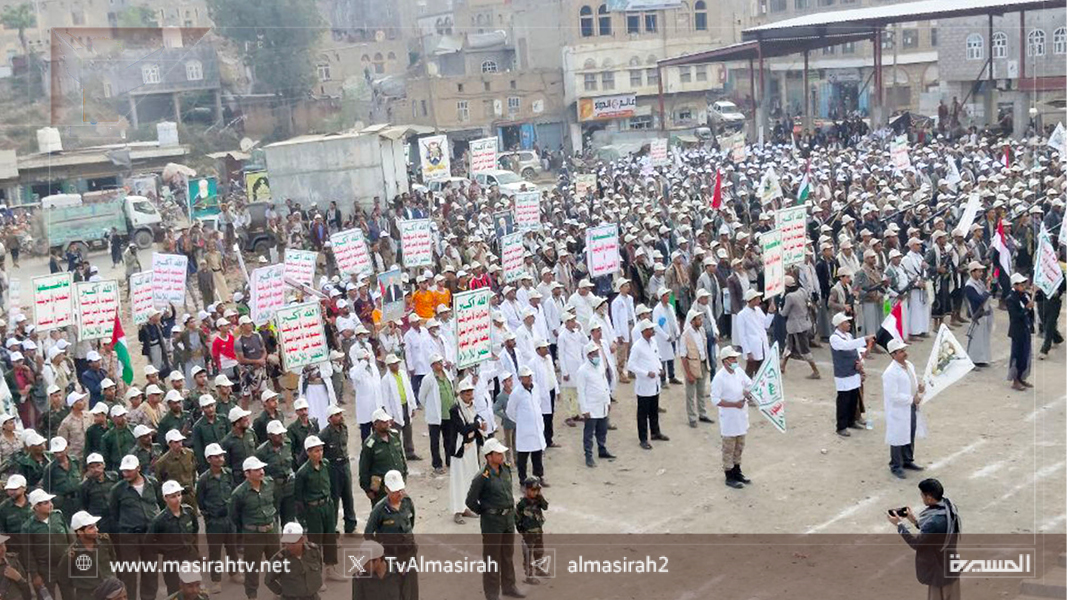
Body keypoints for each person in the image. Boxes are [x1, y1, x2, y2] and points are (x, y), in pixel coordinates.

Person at [465, 438, 524, 600]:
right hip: (492, 522)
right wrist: (485, 512)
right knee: (492, 558)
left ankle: (509, 586)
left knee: (507, 555)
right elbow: (470, 501)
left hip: (508, 519)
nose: (502, 456)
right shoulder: (482, 477)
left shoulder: (505, 470)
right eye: (498, 454)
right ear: (489, 457)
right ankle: (492, 594)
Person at [888, 478, 961, 600]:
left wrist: (899, 525)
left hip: (939, 571)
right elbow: (935, 531)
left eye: (922, 495)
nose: (922, 498)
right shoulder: (949, 507)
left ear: (929, 498)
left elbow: (916, 544)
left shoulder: (933, 522)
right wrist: (914, 521)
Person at [108, 455, 163, 600]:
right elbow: (114, 513)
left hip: (149, 535)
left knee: (150, 571)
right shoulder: (117, 490)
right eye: (124, 471)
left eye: (129, 471)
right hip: (129, 536)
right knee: (129, 573)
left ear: (138, 468)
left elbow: (160, 504)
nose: (126, 474)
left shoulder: (153, 483)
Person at [228, 456, 280, 600]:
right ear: (247, 473)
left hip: (271, 531)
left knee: (277, 564)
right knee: (252, 568)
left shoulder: (270, 484)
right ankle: (252, 595)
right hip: (253, 535)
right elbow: (234, 516)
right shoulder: (239, 493)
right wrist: (249, 528)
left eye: (262, 468)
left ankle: (279, 593)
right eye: (256, 470)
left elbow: (276, 502)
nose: (261, 472)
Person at [295, 435, 343, 582]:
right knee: (315, 542)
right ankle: (316, 574)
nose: (320, 453)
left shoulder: (326, 464)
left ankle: (330, 568)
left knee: (330, 538)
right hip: (313, 509)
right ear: (308, 452)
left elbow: (330, 485)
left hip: (327, 505)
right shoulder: (303, 472)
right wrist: (302, 520)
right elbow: (298, 498)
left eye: (321, 450)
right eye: (316, 451)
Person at [364, 469, 418, 599]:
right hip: (390, 558)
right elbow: (368, 534)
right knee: (393, 592)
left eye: (401, 490)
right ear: (387, 490)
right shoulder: (379, 510)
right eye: (395, 491)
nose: (399, 494)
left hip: (409, 556)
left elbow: (411, 522)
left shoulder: (407, 502)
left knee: (411, 591)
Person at [195, 443, 240, 595]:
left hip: (229, 519)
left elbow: (234, 493)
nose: (220, 459)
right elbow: (200, 500)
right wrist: (209, 515)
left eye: (221, 456)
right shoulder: (203, 480)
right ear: (209, 459)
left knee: (232, 548)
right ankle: (216, 580)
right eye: (216, 457)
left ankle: (234, 573)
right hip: (214, 521)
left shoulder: (228, 474)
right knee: (215, 551)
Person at [710, 346, 756, 489]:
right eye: (732, 358)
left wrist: (747, 393)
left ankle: (737, 471)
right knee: (729, 448)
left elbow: (749, 384)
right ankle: (729, 475)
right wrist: (733, 404)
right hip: (729, 418)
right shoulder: (719, 378)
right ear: (725, 361)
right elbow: (715, 400)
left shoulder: (739, 371)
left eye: (736, 358)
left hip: (741, 416)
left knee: (739, 446)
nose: (735, 361)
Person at [882, 339, 927, 479]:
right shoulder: (890, 373)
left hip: (910, 406)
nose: (905, 353)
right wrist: (911, 399)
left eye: (904, 350)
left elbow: (911, 382)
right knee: (897, 437)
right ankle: (895, 465)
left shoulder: (909, 365)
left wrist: (919, 390)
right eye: (901, 351)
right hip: (899, 409)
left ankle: (907, 460)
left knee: (910, 432)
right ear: (893, 355)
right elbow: (893, 395)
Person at [147, 480, 199, 596]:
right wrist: (165, 549)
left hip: (189, 556)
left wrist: (195, 551)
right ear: (165, 498)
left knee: (192, 588)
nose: (177, 499)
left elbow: (195, 530)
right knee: (175, 591)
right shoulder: (160, 520)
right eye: (173, 497)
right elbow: (149, 542)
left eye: (179, 495)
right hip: (172, 560)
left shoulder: (189, 512)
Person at [829, 312, 874, 437]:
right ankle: (841, 426)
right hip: (843, 373)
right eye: (846, 322)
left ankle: (851, 421)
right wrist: (864, 339)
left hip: (853, 371)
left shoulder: (848, 335)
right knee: (844, 400)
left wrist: (862, 357)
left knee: (854, 398)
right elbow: (847, 346)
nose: (849, 324)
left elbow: (855, 349)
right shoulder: (834, 338)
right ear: (839, 324)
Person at [626, 319, 668, 450]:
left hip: (655, 383)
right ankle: (643, 438)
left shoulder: (653, 342)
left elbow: (657, 357)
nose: (652, 331)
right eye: (650, 329)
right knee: (643, 413)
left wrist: (660, 368)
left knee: (654, 410)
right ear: (644, 331)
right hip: (644, 384)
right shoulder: (637, 346)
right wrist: (645, 373)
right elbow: (631, 365)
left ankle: (655, 432)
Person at [358, 409, 408, 508]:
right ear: (375, 424)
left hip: (397, 484)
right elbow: (364, 468)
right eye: (383, 422)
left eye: (387, 421)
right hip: (381, 489)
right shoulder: (370, 444)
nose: (387, 424)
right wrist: (367, 489)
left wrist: (404, 474)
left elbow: (401, 456)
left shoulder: (394, 436)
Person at [450, 379, 484, 524]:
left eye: (471, 393)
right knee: (459, 480)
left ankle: (467, 506)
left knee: (471, 477)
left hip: (471, 446)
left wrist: (479, 423)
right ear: (461, 394)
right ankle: (457, 510)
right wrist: (477, 425)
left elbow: (476, 418)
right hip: (460, 449)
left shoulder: (472, 406)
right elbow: (463, 429)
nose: (470, 396)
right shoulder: (455, 410)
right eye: (467, 394)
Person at [505, 367, 546, 486]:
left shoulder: (535, 387)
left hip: (536, 427)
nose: (529, 379)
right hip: (524, 430)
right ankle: (523, 481)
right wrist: (521, 421)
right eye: (526, 377)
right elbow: (510, 411)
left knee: (537, 454)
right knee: (523, 457)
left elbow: (538, 403)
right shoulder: (516, 393)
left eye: (530, 376)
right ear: (520, 378)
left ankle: (538, 477)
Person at [575, 342, 614, 467]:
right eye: (594, 353)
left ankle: (602, 449)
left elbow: (605, 384)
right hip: (591, 406)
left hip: (602, 404)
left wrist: (608, 401)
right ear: (588, 355)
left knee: (602, 430)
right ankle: (588, 455)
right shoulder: (582, 371)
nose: (597, 355)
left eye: (597, 353)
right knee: (589, 433)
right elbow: (581, 391)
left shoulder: (600, 366)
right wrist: (584, 409)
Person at [266, 522, 325, 600]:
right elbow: (269, 580)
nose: (289, 546)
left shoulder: (313, 551)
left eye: (293, 543)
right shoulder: (279, 559)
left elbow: (319, 567)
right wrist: (282, 592)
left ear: (302, 539)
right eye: (287, 542)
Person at [678, 310, 714, 428]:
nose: (701, 321)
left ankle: (702, 414)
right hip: (692, 366)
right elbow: (683, 356)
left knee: (701, 392)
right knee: (690, 394)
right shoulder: (685, 335)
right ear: (692, 321)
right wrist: (688, 374)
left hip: (702, 364)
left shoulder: (702, 331)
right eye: (698, 319)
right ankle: (692, 417)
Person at [515, 476, 548, 586]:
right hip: (528, 533)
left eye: (538, 490)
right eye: (533, 490)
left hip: (538, 530)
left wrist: (541, 497)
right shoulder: (522, 504)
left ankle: (539, 569)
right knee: (528, 555)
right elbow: (517, 518)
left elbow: (545, 507)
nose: (536, 492)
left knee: (539, 551)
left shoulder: (538, 500)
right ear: (526, 490)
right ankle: (529, 575)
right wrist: (522, 531)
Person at [734, 289, 775, 377]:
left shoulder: (758, 310)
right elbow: (742, 336)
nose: (760, 301)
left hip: (762, 346)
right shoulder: (742, 315)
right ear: (752, 300)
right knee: (750, 371)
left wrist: (770, 313)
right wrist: (748, 351)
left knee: (761, 372)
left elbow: (766, 324)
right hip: (752, 348)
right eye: (757, 299)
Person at [1006, 273, 1035, 390]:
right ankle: (1015, 379)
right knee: (1017, 355)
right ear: (1015, 285)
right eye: (1021, 285)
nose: (1024, 287)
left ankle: (1021, 377)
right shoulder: (1011, 299)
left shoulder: (1025, 296)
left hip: (1025, 328)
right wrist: (1026, 308)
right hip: (1017, 330)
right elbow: (1015, 316)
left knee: (1025, 354)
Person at [963, 261, 993, 366]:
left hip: (984, 313)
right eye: (979, 271)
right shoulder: (969, 286)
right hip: (977, 314)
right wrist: (987, 291)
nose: (981, 273)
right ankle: (974, 360)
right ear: (972, 272)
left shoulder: (979, 282)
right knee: (976, 339)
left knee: (983, 338)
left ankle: (982, 359)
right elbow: (979, 299)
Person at [0, 532, 32, 600]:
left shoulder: (13, 561)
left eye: (2, 544)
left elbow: (26, 587)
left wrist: (18, 578)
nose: (2, 549)